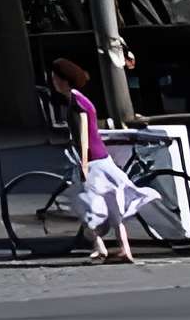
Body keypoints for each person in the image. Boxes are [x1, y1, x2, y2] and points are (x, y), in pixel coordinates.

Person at [53, 57, 152, 264]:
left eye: (55, 77)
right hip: (102, 158)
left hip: (94, 161)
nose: (53, 80)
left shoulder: (76, 102)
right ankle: (125, 250)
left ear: (65, 80)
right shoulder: (79, 99)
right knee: (112, 204)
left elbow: (83, 135)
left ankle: (99, 247)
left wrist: (84, 162)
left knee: (85, 203)